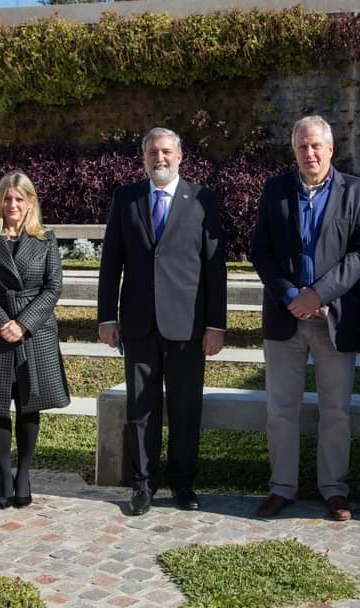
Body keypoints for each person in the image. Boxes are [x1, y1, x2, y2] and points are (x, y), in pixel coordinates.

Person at [250, 115, 360, 521]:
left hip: (334, 318)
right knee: (280, 408)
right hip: (285, 317)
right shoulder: (275, 190)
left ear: (331, 149)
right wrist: (291, 295)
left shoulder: (358, 193)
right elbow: (261, 252)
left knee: (335, 409)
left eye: (316, 146)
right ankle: (281, 487)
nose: (309, 153)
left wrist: (318, 294)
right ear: (295, 152)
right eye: (302, 147)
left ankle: (334, 490)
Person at [97, 127, 227, 516]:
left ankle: (183, 484)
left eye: (167, 152)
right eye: (153, 152)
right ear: (144, 158)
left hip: (188, 326)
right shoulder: (126, 199)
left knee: (186, 408)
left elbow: (214, 267)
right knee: (142, 408)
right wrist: (107, 316)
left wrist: (216, 324)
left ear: (180, 157)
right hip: (138, 324)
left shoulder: (203, 199)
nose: (161, 158)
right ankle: (143, 484)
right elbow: (110, 263)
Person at [0, 171, 69, 509]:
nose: (12, 204)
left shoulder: (46, 239)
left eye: (19, 199)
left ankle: (24, 474)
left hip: (33, 333)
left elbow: (53, 287)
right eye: (7, 198)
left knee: (29, 404)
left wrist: (23, 323)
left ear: (30, 202)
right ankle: (4, 475)